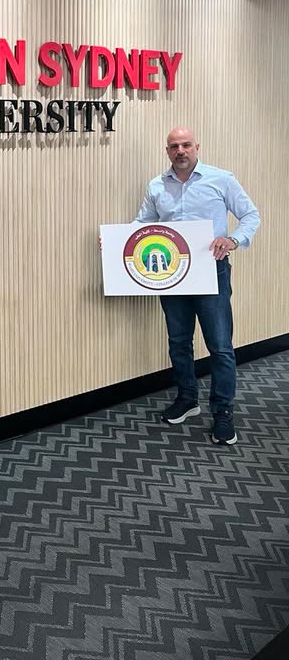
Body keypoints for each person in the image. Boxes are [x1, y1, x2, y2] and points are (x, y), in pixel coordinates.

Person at [136, 127, 260, 445]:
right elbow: (144, 223)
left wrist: (233, 240)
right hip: (172, 274)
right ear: (167, 151)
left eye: (186, 145)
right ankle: (187, 399)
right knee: (179, 341)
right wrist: (115, 243)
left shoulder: (221, 179)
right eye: (174, 146)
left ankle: (223, 411)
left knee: (219, 346)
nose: (180, 150)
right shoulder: (156, 185)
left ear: (196, 147)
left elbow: (250, 215)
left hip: (212, 272)